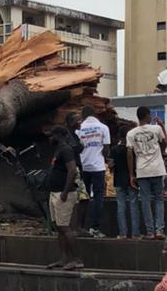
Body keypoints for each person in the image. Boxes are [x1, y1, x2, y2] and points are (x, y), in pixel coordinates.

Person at [45, 126, 82, 269]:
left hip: (63, 193)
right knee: (59, 228)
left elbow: (72, 170)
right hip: (54, 192)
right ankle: (64, 259)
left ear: (58, 135)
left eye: (51, 135)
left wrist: (65, 192)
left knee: (65, 227)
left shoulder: (66, 150)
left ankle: (77, 259)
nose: (49, 139)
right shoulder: (58, 149)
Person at [127, 106, 166, 238]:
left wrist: (131, 174)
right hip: (157, 169)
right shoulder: (156, 129)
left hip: (142, 170)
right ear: (148, 116)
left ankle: (150, 232)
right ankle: (159, 230)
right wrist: (162, 125)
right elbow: (165, 142)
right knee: (159, 200)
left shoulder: (131, 133)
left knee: (145, 200)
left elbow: (129, 153)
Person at [76, 106, 111, 237]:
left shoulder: (79, 129)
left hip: (84, 167)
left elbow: (77, 147)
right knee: (98, 198)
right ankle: (94, 228)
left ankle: (80, 227)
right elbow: (106, 148)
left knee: (83, 198)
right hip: (98, 167)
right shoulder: (103, 127)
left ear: (83, 115)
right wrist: (103, 156)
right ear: (94, 114)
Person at [110, 133, 140, 238]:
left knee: (120, 207)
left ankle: (122, 233)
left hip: (118, 180)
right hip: (132, 180)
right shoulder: (133, 149)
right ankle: (135, 233)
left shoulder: (114, 149)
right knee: (133, 206)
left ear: (119, 137)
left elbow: (111, 164)